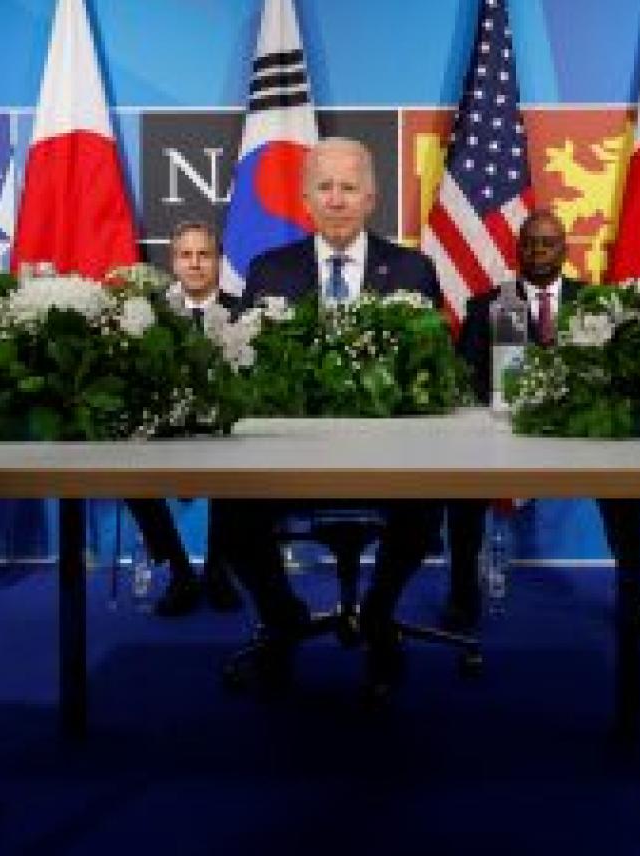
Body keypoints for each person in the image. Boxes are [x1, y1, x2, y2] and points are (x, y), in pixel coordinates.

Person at [216, 137, 445, 703]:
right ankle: (283, 615)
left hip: (389, 453)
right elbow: (245, 369)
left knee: (427, 499)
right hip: (288, 452)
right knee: (230, 511)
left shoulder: (413, 270)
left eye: (348, 188)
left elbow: (435, 376)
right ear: (305, 199)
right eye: (325, 187)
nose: (337, 200)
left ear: (371, 198)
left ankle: (378, 616)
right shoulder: (269, 271)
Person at [453, 210, 640, 631]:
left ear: (565, 250)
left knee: (623, 484)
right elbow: (465, 375)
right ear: (517, 248)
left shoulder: (597, 302)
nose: (538, 251)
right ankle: (461, 591)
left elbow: (617, 371)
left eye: (548, 243)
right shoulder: (488, 305)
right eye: (529, 243)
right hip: (505, 431)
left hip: (580, 429)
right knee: (463, 486)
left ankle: (633, 590)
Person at [150, 220, 242, 615]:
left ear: (218, 261)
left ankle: (220, 569)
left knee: (238, 462)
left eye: (204, 255)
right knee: (129, 471)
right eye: (186, 255)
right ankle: (178, 569)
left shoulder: (244, 312)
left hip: (227, 427)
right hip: (166, 427)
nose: (195, 264)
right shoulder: (150, 314)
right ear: (173, 263)